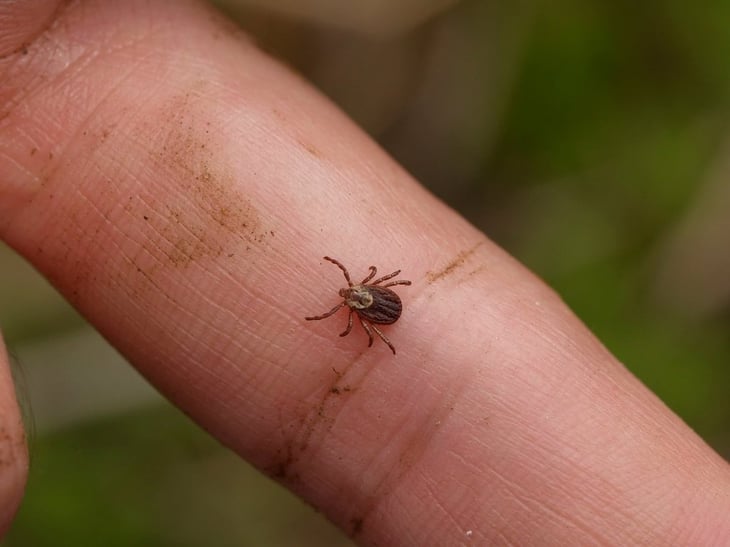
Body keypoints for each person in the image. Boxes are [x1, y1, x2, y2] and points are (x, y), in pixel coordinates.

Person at [1, 2, 728, 544]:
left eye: (353, 294)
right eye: (354, 294)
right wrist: (369, 309)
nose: (351, 295)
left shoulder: (360, 304)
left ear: (359, 296)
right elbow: (382, 292)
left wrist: (358, 314)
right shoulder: (369, 298)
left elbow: (374, 297)